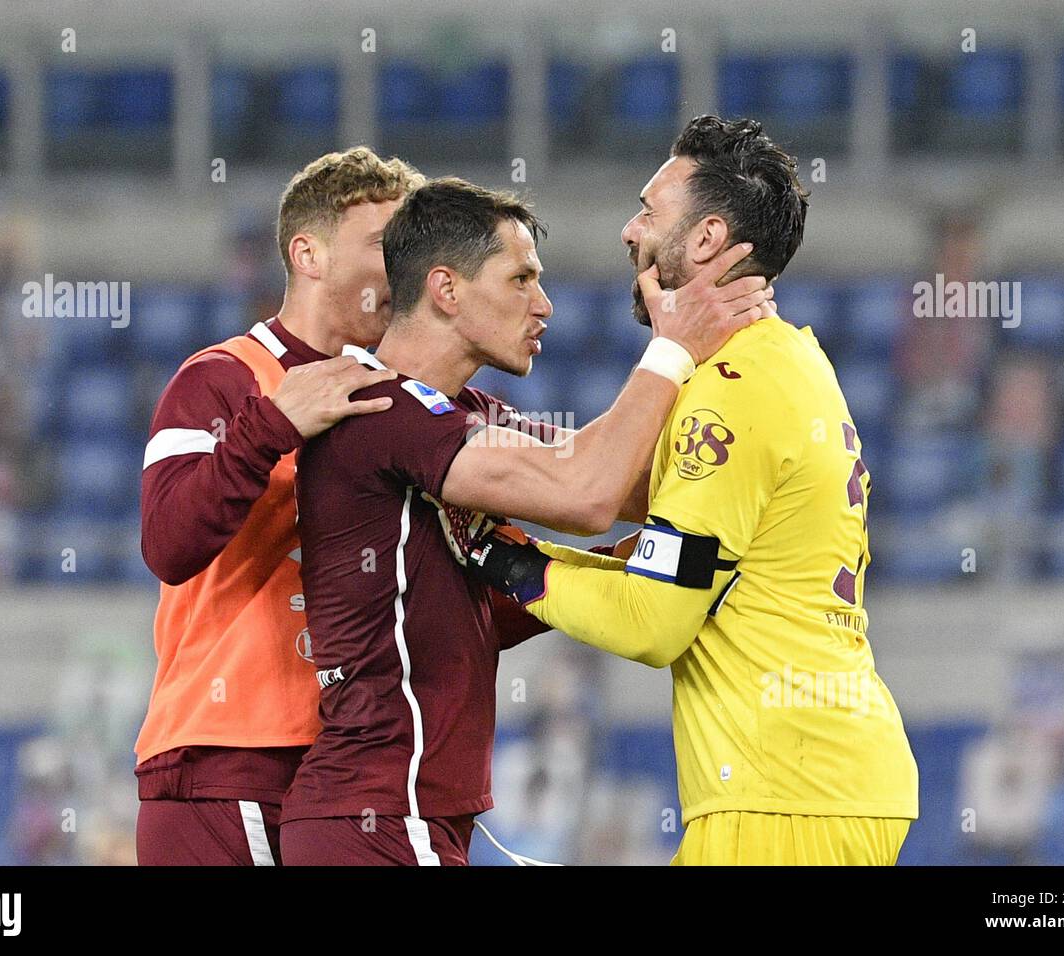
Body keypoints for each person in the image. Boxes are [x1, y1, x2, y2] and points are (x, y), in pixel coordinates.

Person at [279, 177, 771, 865]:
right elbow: (587, 492)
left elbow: (628, 481)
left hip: (411, 815)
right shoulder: (375, 408)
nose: (544, 305)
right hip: (377, 815)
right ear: (446, 289)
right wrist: (672, 348)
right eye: (520, 280)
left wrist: (757, 435)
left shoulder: (465, 412)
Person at [470, 116, 920, 865]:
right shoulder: (791, 362)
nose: (629, 230)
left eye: (649, 212)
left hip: (783, 797)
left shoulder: (729, 394)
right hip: (812, 785)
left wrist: (506, 564)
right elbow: (635, 507)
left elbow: (655, 618)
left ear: (706, 238)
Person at [133, 148, 422, 865]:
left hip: (352, 767)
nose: (405, 267)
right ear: (309, 253)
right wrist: (273, 424)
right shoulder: (221, 379)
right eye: (387, 246)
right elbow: (168, 544)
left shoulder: (397, 398)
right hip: (226, 758)